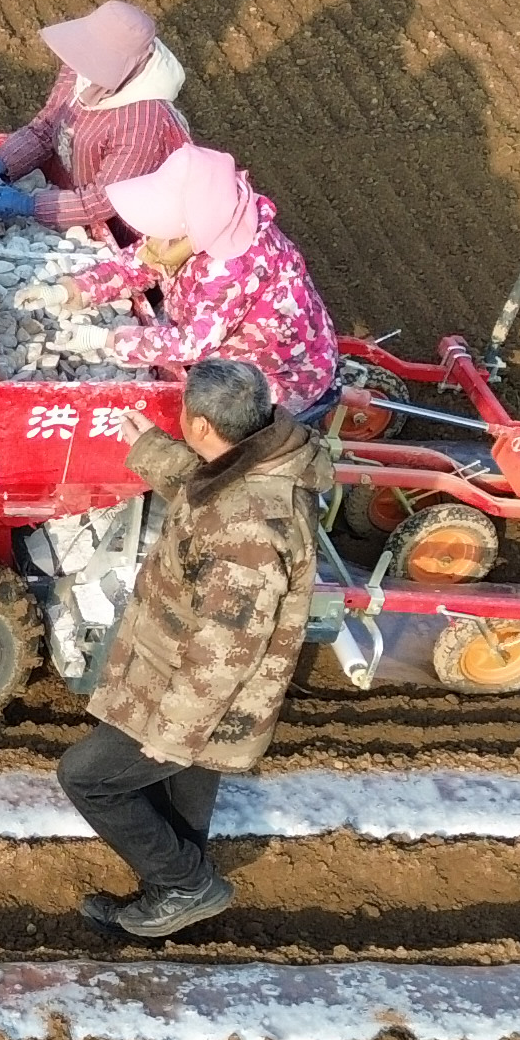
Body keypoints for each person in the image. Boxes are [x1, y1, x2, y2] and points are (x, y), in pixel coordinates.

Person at [57, 358, 331, 938]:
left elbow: (224, 648)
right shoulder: (260, 457)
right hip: (198, 689)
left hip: (192, 693)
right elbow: (209, 489)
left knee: (88, 777)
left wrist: (173, 731)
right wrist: (154, 449)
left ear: (202, 425)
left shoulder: (248, 531)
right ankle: (173, 897)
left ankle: (186, 885)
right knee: (183, 798)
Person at [34, 143, 340, 414]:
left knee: (212, 432)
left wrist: (108, 340)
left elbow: (194, 342)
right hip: (222, 340)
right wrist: (68, 291)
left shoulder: (233, 265)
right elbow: (143, 262)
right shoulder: (209, 219)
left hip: (271, 379)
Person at [0, 0, 191, 237]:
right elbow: (46, 127)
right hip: (77, 188)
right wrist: (1, 163)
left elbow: (105, 199)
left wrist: (30, 205)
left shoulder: (141, 120)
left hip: (127, 223)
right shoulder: (80, 66)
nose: (81, 67)